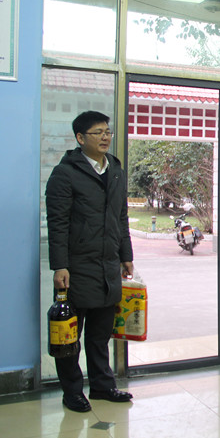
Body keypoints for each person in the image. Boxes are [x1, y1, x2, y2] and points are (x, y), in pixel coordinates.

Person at [45, 111, 134, 413]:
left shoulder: (116, 170)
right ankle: (72, 392)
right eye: (98, 132)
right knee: (70, 334)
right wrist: (60, 266)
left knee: (100, 335)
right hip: (77, 268)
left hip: (108, 266)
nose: (105, 137)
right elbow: (57, 223)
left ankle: (102, 386)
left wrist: (126, 255)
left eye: (107, 131)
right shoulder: (65, 173)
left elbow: (121, 218)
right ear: (80, 138)